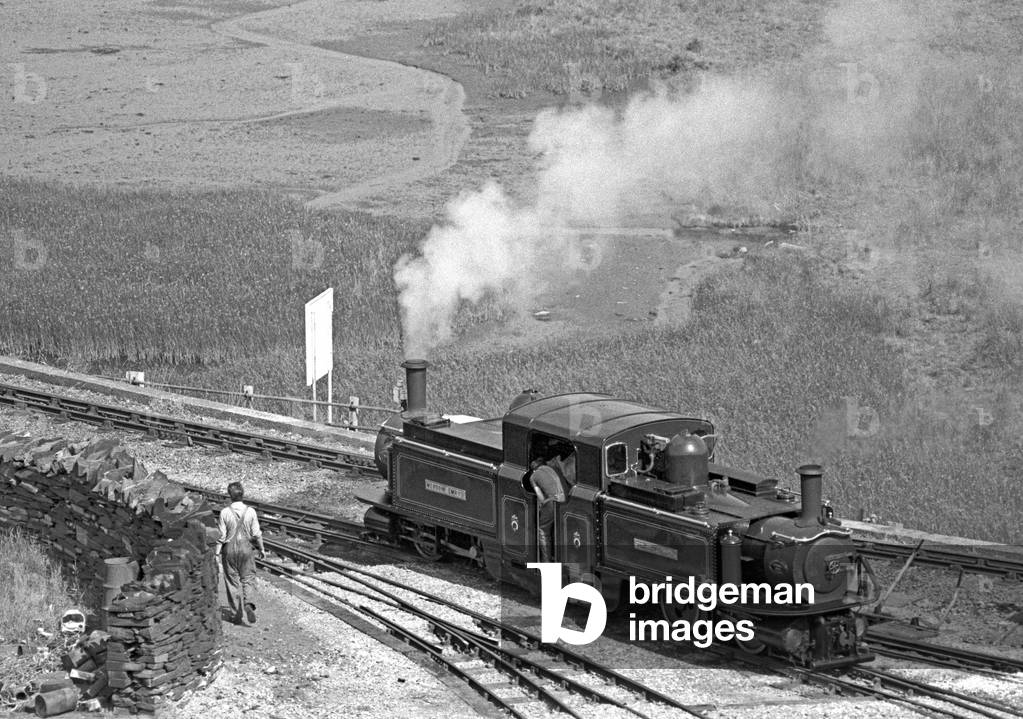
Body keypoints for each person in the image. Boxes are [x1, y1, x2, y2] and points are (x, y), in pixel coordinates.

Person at [217, 481, 266, 626]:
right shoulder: (250, 511)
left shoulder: (224, 512)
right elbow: (257, 534)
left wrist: (216, 554)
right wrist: (262, 549)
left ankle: (236, 615)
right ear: (242, 494)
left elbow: (221, 536)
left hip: (229, 550)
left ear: (229, 496)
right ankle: (248, 603)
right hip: (246, 549)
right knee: (248, 578)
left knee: (232, 582)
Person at [528, 451, 576, 562]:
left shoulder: (534, 476)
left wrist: (541, 507)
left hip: (553, 501)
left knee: (543, 530)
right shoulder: (554, 468)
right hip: (567, 501)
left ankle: (547, 561)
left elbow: (540, 496)